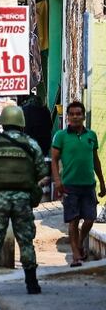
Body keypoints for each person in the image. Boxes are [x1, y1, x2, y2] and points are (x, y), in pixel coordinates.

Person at [0, 105, 48, 294]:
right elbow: (42, 173)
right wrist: (33, 196)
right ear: (21, 123)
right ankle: (32, 283)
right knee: (25, 241)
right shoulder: (31, 144)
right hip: (23, 199)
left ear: (3, 124)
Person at [51, 101, 106, 267]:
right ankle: (76, 255)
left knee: (90, 219)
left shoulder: (91, 136)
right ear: (68, 117)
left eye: (78, 114)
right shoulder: (60, 136)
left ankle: (80, 242)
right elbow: (54, 160)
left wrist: (102, 183)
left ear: (83, 116)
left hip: (89, 185)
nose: (75, 117)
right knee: (73, 220)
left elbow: (95, 160)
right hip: (70, 185)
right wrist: (58, 181)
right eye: (72, 114)